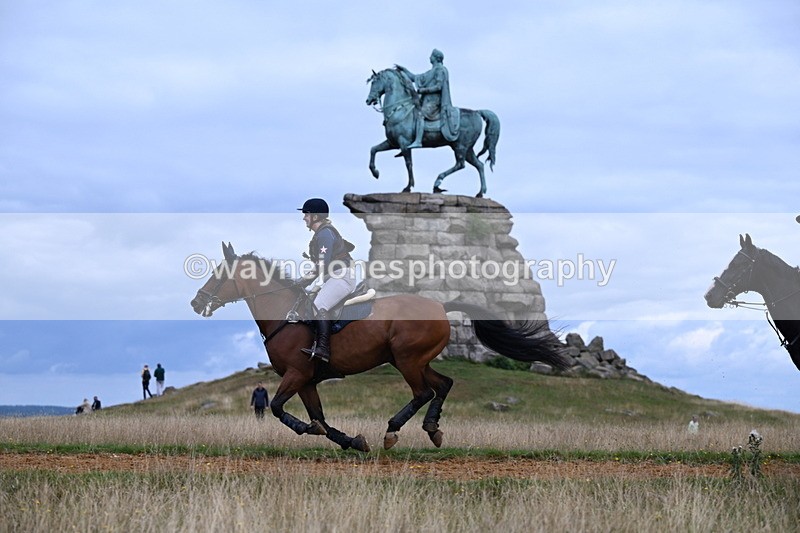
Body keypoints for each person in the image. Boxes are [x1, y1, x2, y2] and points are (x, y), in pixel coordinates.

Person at [297, 198, 356, 363]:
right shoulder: (322, 233)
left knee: (319, 305)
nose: (304, 218)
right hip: (334, 276)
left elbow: (321, 265)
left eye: (306, 214)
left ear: (315, 217)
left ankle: (323, 349)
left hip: (340, 276)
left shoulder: (324, 234)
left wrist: (302, 281)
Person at [395, 48, 460, 148]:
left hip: (434, 102)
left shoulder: (440, 70)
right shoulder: (432, 71)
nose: (429, 57)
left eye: (431, 56)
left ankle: (418, 141)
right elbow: (415, 77)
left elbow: (439, 87)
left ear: (436, 58)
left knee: (420, 115)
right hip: (426, 101)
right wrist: (404, 70)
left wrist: (423, 90)